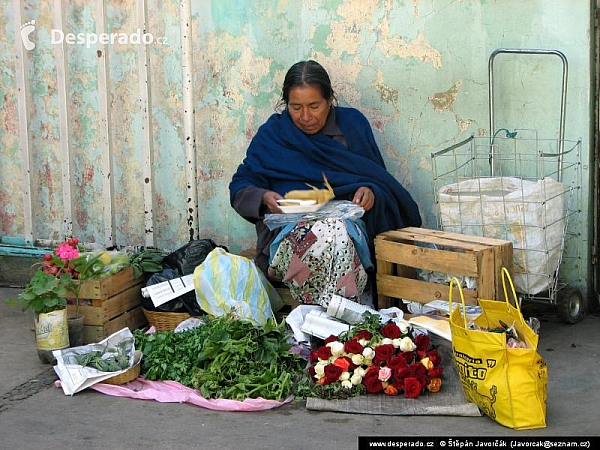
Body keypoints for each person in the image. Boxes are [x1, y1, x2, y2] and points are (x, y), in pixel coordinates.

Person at [229, 60, 421, 306]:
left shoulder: (351, 126)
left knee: (335, 234)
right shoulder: (274, 135)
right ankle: (343, 319)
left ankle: (328, 322)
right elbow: (241, 185)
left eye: (314, 106)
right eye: (296, 108)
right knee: (325, 237)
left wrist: (369, 192)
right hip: (289, 232)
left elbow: (378, 180)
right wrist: (264, 197)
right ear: (285, 104)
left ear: (330, 100)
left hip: (350, 229)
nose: (306, 117)